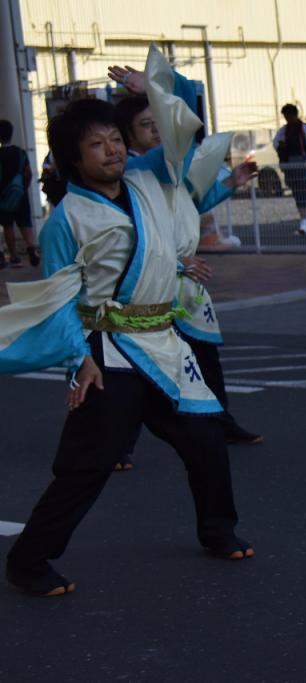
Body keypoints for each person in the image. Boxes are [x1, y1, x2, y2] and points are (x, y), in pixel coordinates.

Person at [0, 47, 254, 598]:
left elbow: (186, 122)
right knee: (88, 464)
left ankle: (218, 528)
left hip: (165, 341)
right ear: (73, 161)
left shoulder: (149, 176)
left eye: (115, 138)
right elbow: (60, 297)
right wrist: (79, 359)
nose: (113, 149)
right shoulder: (68, 218)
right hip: (109, 349)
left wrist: (155, 87)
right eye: (97, 144)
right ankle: (28, 559)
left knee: (207, 439)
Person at [113, 80, 264, 459]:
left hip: (184, 278)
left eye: (157, 122)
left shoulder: (163, 165)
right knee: (138, 364)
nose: (158, 130)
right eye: (148, 124)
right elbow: (134, 232)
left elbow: (188, 207)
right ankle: (116, 443)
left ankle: (220, 423)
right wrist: (154, 90)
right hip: (155, 279)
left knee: (200, 357)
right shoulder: (134, 169)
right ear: (128, 135)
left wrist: (230, 182)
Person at [273, 103, 306, 236]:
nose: (287, 118)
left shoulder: (305, 129)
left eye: (289, 115)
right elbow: (277, 144)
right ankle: (304, 221)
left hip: (304, 164)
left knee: (304, 192)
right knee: (298, 193)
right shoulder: (284, 131)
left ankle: (305, 222)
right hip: (291, 165)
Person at [0, 119, 41, 269]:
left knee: (8, 225)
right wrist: (24, 187)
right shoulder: (20, 152)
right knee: (25, 222)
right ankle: (31, 247)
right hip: (21, 193)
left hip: (4, 196)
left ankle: (14, 257)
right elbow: (28, 172)